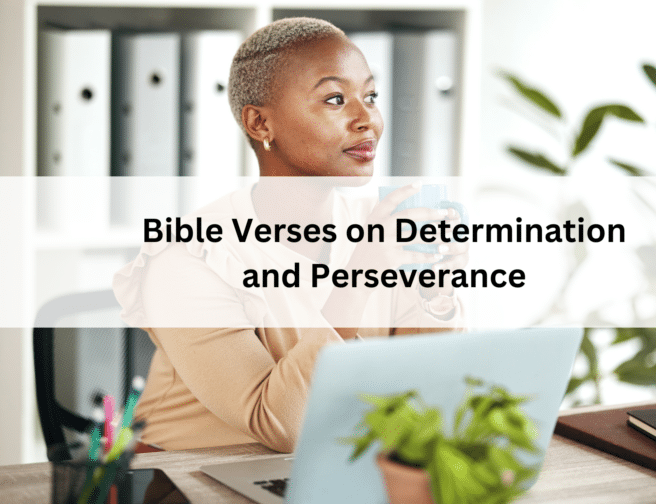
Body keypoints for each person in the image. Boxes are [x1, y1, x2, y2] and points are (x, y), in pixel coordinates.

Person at [113, 17, 467, 453]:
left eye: (370, 96)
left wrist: (437, 289)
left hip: (337, 464)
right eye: (336, 99)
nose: (367, 120)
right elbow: (281, 426)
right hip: (191, 480)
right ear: (261, 124)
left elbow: (426, 392)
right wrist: (360, 277)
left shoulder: (380, 223)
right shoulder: (187, 261)